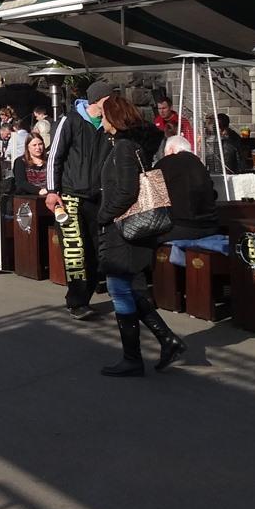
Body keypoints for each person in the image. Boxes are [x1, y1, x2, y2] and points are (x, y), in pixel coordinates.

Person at [94, 94, 186, 375]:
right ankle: (166, 339)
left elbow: (126, 191)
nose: (101, 120)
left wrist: (103, 215)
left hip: (124, 228)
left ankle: (134, 357)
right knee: (125, 288)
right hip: (131, 227)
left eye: (104, 115)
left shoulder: (123, 147)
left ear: (115, 118)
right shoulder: (134, 145)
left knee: (119, 289)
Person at [44, 81, 115, 318]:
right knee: (75, 250)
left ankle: (89, 292)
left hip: (99, 196)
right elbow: (55, 156)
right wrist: (52, 190)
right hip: (71, 196)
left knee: (97, 250)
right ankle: (77, 301)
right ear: (100, 100)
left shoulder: (110, 125)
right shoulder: (70, 121)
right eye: (111, 99)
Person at [158, 135, 225, 265]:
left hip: (180, 227)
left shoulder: (167, 163)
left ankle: (160, 278)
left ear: (171, 150)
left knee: (144, 238)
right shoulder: (200, 164)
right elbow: (213, 193)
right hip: (210, 226)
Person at [202, 112, 247, 177]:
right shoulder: (234, 138)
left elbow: (239, 160)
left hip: (226, 175)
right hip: (224, 175)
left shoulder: (232, 140)